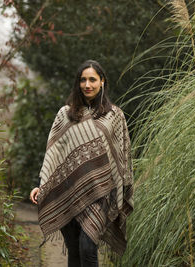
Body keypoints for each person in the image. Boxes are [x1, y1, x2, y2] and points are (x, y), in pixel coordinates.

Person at [30, 59, 133, 267]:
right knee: (74, 251)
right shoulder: (65, 114)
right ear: (78, 83)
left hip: (99, 195)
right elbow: (54, 153)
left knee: (88, 246)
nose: (87, 85)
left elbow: (122, 155)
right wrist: (41, 184)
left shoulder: (115, 115)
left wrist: (122, 188)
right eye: (83, 80)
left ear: (102, 81)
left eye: (92, 80)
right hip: (68, 192)